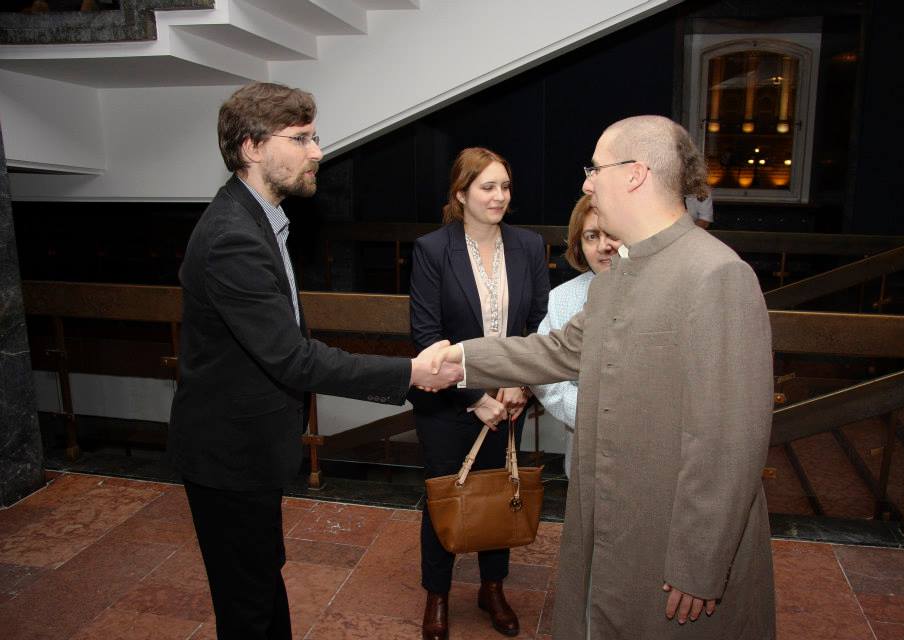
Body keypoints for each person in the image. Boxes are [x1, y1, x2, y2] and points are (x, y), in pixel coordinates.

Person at [429, 116, 775, 639]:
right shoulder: (619, 274)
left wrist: (700, 564)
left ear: (635, 174)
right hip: (609, 511)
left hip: (668, 532)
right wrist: (462, 359)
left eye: (595, 169)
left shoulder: (716, 274)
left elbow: (729, 440)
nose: (587, 184)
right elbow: (560, 349)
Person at [168, 82, 461, 640]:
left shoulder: (262, 220)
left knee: (260, 582)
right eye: (301, 138)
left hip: (248, 450)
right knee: (247, 603)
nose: (318, 152)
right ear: (252, 147)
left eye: (314, 137)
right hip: (228, 456)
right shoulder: (233, 236)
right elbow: (293, 359)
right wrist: (410, 373)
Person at [408, 147, 550, 640]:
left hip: (510, 397)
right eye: (487, 187)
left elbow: (539, 325)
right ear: (461, 193)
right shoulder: (432, 250)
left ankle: (493, 589)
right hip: (448, 402)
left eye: (505, 186)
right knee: (444, 496)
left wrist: (519, 384)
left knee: (500, 492)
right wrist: (476, 399)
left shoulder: (529, 245)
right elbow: (427, 335)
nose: (499, 196)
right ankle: (437, 595)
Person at [529, 195, 621, 477]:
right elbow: (545, 376)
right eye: (592, 236)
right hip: (585, 454)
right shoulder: (562, 298)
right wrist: (595, 411)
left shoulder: (662, 292)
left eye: (612, 234)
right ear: (579, 244)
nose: (603, 246)